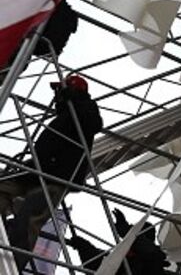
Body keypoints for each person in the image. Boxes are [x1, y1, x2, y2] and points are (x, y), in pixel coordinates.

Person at [0, 74, 103, 270]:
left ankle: (11, 266)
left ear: (72, 90)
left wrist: (73, 99)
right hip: (40, 170)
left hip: (56, 177)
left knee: (30, 218)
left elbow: (94, 124)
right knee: (3, 186)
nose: (56, 96)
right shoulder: (66, 117)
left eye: (60, 91)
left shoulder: (84, 110)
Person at [67, 208, 173, 274]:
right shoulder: (126, 257)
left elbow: (139, 241)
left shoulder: (152, 255)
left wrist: (125, 228)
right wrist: (83, 246)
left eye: (135, 230)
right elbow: (98, 266)